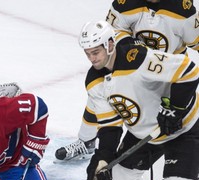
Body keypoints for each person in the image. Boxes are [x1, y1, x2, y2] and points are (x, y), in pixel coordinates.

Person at [79, 20, 199, 180]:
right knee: (122, 174)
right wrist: (103, 157)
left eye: (95, 51)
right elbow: (109, 124)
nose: (92, 58)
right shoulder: (94, 81)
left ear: (109, 44)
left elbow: (188, 70)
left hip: (183, 127)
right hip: (145, 133)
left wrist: (176, 111)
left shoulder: (137, 58)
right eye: (88, 53)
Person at [55, 0, 199, 162]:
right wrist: (130, 45)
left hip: (165, 74)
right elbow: (113, 31)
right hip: (130, 66)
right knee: (99, 95)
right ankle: (86, 141)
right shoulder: (124, 3)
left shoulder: (183, 10)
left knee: (186, 116)